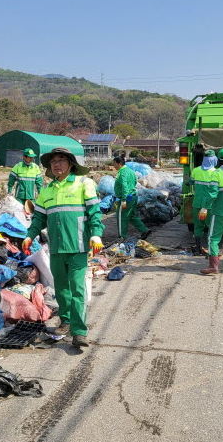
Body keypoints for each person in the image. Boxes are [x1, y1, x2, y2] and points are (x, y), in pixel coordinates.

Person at [22, 147, 104, 348]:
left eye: (61, 160)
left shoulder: (84, 183)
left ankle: (79, 332)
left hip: (78, 246)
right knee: (61, 289)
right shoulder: (47, 190)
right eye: (53, 162)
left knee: (77, 288)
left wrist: (96, 233)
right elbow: (39, 217)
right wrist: (29, 236)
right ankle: (66, 320)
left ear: (70, 164)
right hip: (57, 247)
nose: (57, 164)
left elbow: (94, 212)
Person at [113, 156, 151, 240]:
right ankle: (144, 230)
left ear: (119, 164)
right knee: (132, 216)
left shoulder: (122, 173)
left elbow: (124, 187)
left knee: (122, 217)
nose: (114, 166)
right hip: (133, 197)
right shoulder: (130, 171)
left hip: (126, 198)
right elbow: (134, 182)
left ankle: (122, 236)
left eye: (114, 164)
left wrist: (123, 200)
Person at [191, 150, 218, 256]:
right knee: (211, 228)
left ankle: (198, 249)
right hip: (209, 206)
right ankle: (211, 250)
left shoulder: (196, 170)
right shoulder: (216, 173)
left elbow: (191, 182)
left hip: (197, 204)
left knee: (198, 226)